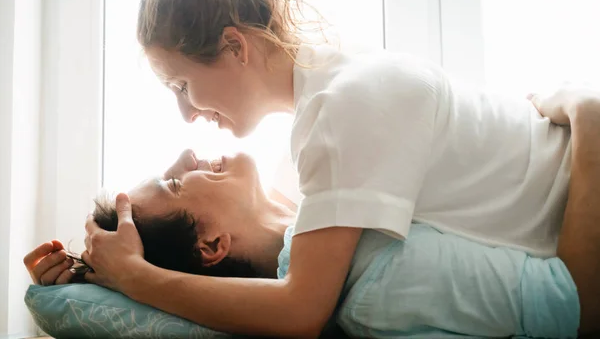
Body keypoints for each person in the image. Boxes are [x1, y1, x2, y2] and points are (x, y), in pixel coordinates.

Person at [27, 0, 600, 335]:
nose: (185, 117)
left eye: (182, 84)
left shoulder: (345, 107)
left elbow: (300, 310)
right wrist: (89, 269)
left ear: (234, 46)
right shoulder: (323, 125)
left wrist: (137, 277)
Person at [24, 88, 600, 337]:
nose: (187, 149)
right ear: (211, 246)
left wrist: (95, 268)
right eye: (176, 181)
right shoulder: (374, 280)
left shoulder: (318, 185)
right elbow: (575, 303)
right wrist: (588, 113)